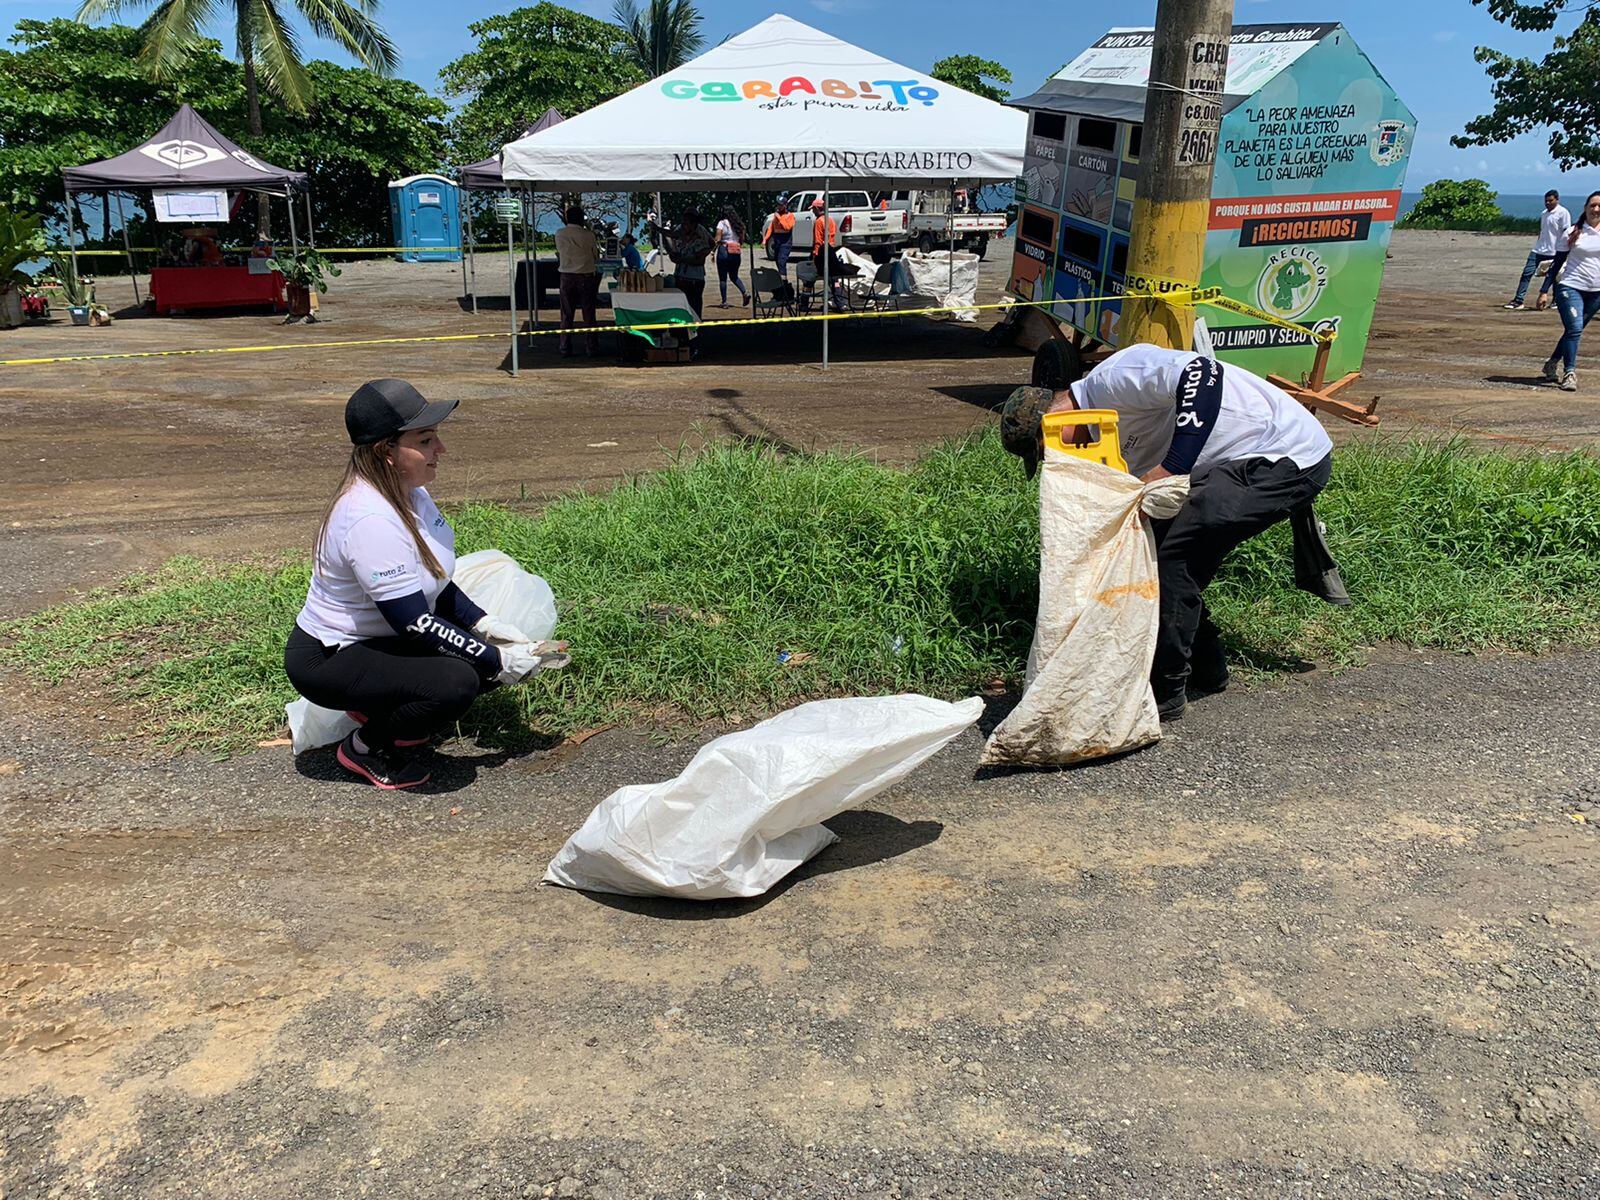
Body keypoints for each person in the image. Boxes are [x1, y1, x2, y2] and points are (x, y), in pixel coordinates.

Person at [1001, 344, 1336, 721]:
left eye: (1046, 450)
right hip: (1237, 465)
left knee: (1174, 556)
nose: (1057, 458)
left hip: (1283, 451)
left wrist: (1172, 467)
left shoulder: (1113, 378)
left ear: (1052, 421)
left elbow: (1203, 376)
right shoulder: (1099, 439)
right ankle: (1207, 668)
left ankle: (1166, 691)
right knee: (1152, 551)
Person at [284, 380, 564, 789]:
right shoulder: (369, 519)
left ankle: (383, 705)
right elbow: (414, 622)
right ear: (387, 452)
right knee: (458, 682)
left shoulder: (410, 493)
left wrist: (486, 626)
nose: (441, 450)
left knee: (479, 658)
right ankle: (366, 746)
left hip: (379, 640)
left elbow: (436, 581)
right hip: (330, 658)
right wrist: (494, 660)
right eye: (426, 439)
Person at [1534, 190, 1600, 391]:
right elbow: (1557, 264)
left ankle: (1552, 363)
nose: (1596, 209)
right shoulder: (1572, 232)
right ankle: (1569, 373)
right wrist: (1544, 291)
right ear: (1585, 208)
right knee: (1574, 329)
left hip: (1596, 291)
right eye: (1592, 205)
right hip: (1570, 287)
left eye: (1599, 206)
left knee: (1574, 330)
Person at [1506, 190, 1571, 310]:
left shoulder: (1563, 213)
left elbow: (1566, 232)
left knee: (1554, 276)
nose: (1547, 203)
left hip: (1555, 251)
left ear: (1557, 199)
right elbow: (1543, 231)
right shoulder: (1544, 214)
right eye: (1546, 201)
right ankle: (1518, 300)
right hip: (1539, 249)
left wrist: (1564, 250)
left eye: (1550, 201)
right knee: (1527, 273)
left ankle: (1555, 300)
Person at [554, 205, 600, 357]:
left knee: (566, 314)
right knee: (588, 314)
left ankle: (564, 346)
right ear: (581, 219)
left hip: (566, 277)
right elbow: (595, 255)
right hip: (586, 276)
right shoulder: (588, 235)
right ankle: (591, 347)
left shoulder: (559, 234)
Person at [663, 207, 712, 319]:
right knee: (681, 308)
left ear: (693, 222)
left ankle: (694, 332)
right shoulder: (681, 229)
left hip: (694, 279)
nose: (683, 225)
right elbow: (673, 236)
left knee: (694, 309)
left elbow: (709, 247)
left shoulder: (701, 232)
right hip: (681, 276)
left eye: (686, 222)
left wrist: (703, 254)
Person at [809, 197, 846, 312]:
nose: (812, 211)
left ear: (816, 208)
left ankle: (804, 302)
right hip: (831, 251)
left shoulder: (819, 221)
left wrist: (815, 256)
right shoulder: (830, 220)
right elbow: (833, 235)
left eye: (813, 209)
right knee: (834, 279)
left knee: (809, 278)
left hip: (821, 253)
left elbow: (818, 241)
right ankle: (840, 303)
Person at [714, 207, 750, 307]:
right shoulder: (739, 225)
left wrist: (713, 249)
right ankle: (745, 292)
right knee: (734, 276)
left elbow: (717, 239)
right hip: (736, 252)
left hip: (724, 250)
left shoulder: (722, 223)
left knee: (722, 278)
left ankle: (724, 302)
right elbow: (742, 240)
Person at [763, 197, 796, 280]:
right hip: (777, 240)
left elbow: (787, 227)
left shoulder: (790, 216)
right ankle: (781, 278)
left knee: (782, 260)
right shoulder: (776, 216)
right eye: (778, 205)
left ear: (785, 205)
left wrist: (779, 218)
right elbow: (771, 228)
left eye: (781, 205)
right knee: (777, 260)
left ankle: (784, 280)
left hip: (785, 241)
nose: (779, 207)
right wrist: (765, 240)